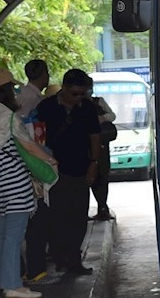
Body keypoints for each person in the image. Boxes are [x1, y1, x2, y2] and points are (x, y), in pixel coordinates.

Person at [0, 68, 57, 298]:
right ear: (5, 91)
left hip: (0, 182)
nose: (15, 92)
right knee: (14, 235)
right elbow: (29, 146)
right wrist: (51, 160)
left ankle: (6, 281)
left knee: (4, 234)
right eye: (12, 88)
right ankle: (13, 285)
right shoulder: (6, 115)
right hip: (16, 183)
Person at [35, 69, 101, 275]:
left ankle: (74, 258)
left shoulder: (87, 108)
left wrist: (94, 163)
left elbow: (95, 137)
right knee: (57, 216)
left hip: (80, 169)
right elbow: (37, 138)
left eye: (82, 94)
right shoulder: (46, 108)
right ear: (63, 88)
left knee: (79, 216)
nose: (78, 98)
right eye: (74, 94)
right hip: (52, 171)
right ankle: (60, 256)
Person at [90, 78, 115, 221]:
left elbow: (112, 115)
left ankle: (102, 207)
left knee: (102, 177)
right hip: (87, 148)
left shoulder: (98, 102)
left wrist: (102, 118)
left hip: (101, 146)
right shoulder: (77, 104)